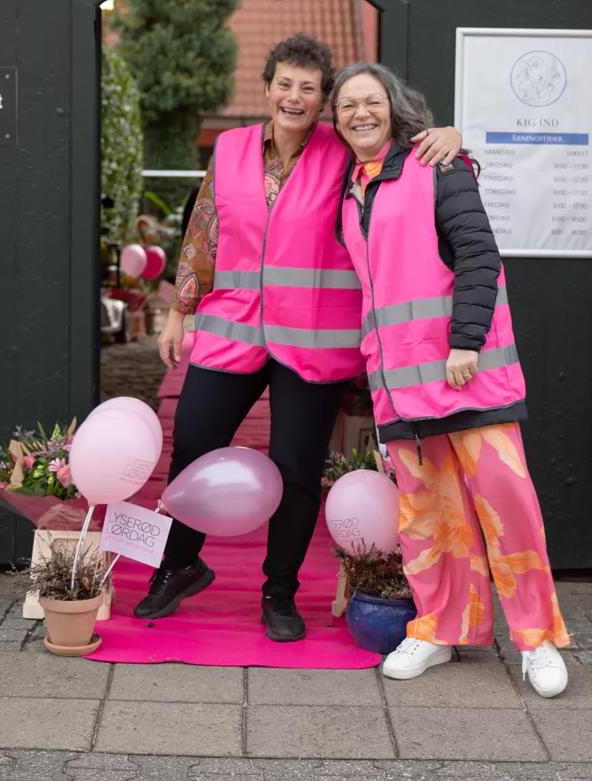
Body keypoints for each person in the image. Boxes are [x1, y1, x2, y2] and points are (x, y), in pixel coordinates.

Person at [138, 34, 462, 641]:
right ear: (267, 89)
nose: (294, 97)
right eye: (284, 84)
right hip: (231, 328)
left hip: (312, 337)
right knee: (192, 449)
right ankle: (178, 566)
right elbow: (203, 229)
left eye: (308, 89)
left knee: (295, 468)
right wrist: (180, 309)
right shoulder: (230, 149)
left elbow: (405, 158)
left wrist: (455, 138)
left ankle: (279, 592)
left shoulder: (343, 152)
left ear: (323, 101)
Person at [331, 62, 570, 697]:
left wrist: (465, 341)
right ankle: (439, 628)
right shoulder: (351, 191)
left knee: (507, 508)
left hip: (466, 377)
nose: (360, 113)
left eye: (371, 101)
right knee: (427, 516)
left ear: (394, 106)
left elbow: (478, 254)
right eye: (347, 105)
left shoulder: (439, 164)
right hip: (402, 388)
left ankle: (537, 640)